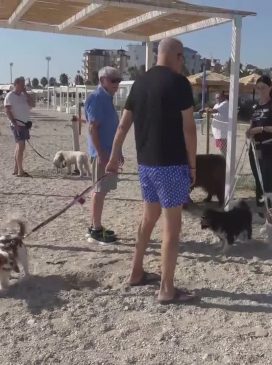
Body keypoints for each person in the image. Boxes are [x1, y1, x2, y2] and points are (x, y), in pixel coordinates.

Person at [106, 38, 198, 304]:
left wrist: (114, 157)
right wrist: (193, 165)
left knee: (148, 220)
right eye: (182, 59)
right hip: (171, 165)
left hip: (146, 165)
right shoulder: (179, 83)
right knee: (172, 228)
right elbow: (189, 128)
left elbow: (123, 126)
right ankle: (167, 288)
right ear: (178, 56)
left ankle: (136, 272)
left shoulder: (140, 82)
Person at [84, 66, 122, 244]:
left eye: (118, 79)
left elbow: (111, 128)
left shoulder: (106, 98)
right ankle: (95, 229)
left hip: (108, 152)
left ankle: (95, 225)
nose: (117, 83)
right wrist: (102, 154)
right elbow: (93, 129)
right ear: (102, 81)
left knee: (101, 191)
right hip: (102, 154)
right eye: (113, 79)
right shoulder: (97, 98)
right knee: (99, 191)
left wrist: (117, 152)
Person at [246, 75, 272, 209]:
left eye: (263, 87)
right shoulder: (255, 107)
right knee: (258, 180)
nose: (260, 90)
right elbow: (251, 126)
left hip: (268, 147)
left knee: (266, 181)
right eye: (258, 88)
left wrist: (262, 129)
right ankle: (261, 209)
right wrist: (250, 131)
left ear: (270, 88)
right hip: (254, 149)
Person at [4, 77, 35, 177]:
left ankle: (16, 168)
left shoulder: (23, 95)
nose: (23, 86)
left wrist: (26, 93)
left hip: (25, 124)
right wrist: (15, 123)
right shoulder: (10, 96)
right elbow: (8, 110)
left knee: (19, 146)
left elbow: (32, 104)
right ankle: (20, 171)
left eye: (24, 84)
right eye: (22, 84)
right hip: (17, 124)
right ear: (16, 84)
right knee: (21, 145)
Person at [209, 92, 229, 157]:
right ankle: (223, 159)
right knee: (220, 147)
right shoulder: (216, 104)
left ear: (223, 97)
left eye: (218, 98)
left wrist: (206, 110)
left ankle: (225, 162)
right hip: (217, 131)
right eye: (216, 98)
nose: (217, 99)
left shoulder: (225, 103)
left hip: (222, 131)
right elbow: (214, 114)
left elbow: (214, 111)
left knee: (223, 148)